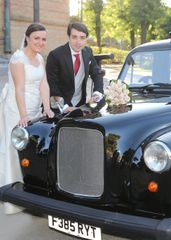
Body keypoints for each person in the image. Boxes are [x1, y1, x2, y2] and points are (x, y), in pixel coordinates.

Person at [0, 23, 54, 214]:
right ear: (28, 38)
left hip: (35, 109)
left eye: (44, 39)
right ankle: (13, 197)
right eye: (37, 38)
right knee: (16, 149)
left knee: (32, 150)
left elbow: (44, 84)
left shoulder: (40, 58)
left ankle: (33, 190)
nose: (41, 42)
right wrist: (23, 115)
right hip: (18, 109)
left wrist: (46, 107)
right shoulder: (18, 59)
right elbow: (20, 89)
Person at [46, 22, 104, 111]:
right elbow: (52, 84)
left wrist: (97, 93)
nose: (78, 42)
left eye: (82, 38)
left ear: (86, 39)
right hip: (59, 107)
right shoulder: (55, 55)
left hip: (80, 104)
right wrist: (64, 106)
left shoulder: (88, 52)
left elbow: (96, 73)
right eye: (74, 37)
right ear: (69, 37)